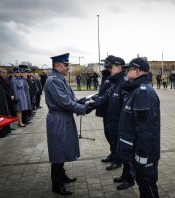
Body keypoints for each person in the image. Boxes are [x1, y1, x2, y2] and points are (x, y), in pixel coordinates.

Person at [45, 53, 87, 195]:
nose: (68, 67)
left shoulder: (60, 79)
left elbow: (70, 98)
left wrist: (81, 102)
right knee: (58, 151)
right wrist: (83, 108)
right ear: (57, 66)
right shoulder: (54, 81)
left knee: (62, 148)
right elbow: (64, 102)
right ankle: (57, 185)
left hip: (63, 117)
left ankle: (61, 176)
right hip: (58, 119)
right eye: (66, 65)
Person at [118, 57, 160, 197]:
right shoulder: (135, 90)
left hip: (144, 154)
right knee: (143, 186)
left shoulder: (143, 93)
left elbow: (145, 130)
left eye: (128, 69)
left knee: (147, 187)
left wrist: (141, 156)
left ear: (136, 71)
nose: (125, 72)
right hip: (138, 151)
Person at [86, 57, 126, 172]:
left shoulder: (122, 81)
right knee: (110, 136)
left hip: (116, 116)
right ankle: (114, 155)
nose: (108, 68)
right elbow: (104, 95)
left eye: (110, 66)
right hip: (109, 112)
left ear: (118, 67)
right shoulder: (115, 80)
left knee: (115, 138)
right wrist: (91, 104)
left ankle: (117, 160)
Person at [96, 55, 114, 163]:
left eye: (108, 65)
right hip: (105, 109)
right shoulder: (106, 75)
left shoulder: (113, 77)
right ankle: (113, 153)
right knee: (107, 134)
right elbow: (103, 92)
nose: (106, 67)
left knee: (112, 135)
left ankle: (116, 158)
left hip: (111, 110)